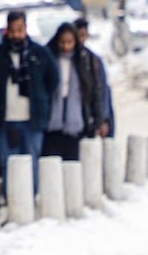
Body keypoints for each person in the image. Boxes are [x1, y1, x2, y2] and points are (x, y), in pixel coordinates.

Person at [0, 10, 59, 190]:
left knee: (32, 162)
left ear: (25, 29)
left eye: (19, 30)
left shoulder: (39, 54)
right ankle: (11, 197)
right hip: (4, 120)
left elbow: (53, 80)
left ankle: (31, 198)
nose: (15, 35)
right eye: (12, 31)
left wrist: (41, 98)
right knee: (8, 163)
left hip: (32, 120)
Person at [42, 23, 105, 161]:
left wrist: (98, 120)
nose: (66, 46)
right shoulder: (49, 60)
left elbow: (94, 91)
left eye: (69, 42)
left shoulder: (84, 60)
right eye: (62, 42)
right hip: (52, 125)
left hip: (77, 124)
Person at [74, 19, 114, 137]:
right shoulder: (65, 60)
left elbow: (102, 90)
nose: (80, 39)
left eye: (82, 35)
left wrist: (103, 119)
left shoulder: (93, 60)